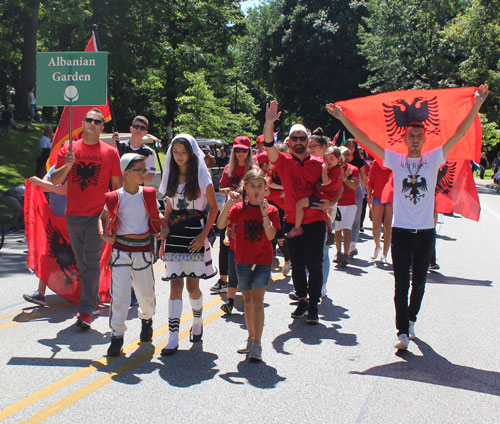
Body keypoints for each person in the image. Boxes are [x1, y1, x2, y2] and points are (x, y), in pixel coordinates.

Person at [327, 83, 489, 350]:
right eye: (411, 136)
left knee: (420, 284)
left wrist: (477, 104)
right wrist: (343, 118)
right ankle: (401, 331)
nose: (414, 139)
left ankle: (411, 318)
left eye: (418, 136)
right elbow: (367, 141)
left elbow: (459, 132)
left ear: (424, 139)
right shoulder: (395, 160)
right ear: (404, 139)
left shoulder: (434, 157)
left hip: (425, 232)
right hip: (401, 230)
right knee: (401, 282)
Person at [52, 108, 122, 330]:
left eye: (97, 121)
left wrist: (113, 214)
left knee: (90, 264)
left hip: (97, 216)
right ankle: (90, 301)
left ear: (102, 127)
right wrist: (68, 165)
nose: (92, 124)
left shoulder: (110, 152)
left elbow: (117, 187)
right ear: (82, 123)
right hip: (73, 215)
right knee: (83, 264)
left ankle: (85, 311)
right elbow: (55, 180)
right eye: (89, 120)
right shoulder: (68, 149)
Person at [263, 101, 333, 324]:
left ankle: (313, 306)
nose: (299, 142)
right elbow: (267, 145)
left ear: (308, 139)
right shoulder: (283, 161)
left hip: (315, 221)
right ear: (289, 141)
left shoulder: (320, 163)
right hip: (292, 221)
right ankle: (302, 299)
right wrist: (269, 122)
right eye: (295, 138)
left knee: (314, 263)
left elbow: (338, 184)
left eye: (303, 138)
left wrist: (332, 201)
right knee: (297, 264)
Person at [98, 153, 167, 357]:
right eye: (140, 170)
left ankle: (146, 320)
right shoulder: (114, 197)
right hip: (120, 251)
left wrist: (163, 225)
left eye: (145, 170)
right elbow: (101, 218)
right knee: (119, 296)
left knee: (146, 295)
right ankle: (116, 336)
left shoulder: (147, 195)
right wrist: (103, 234)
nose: (144, 174)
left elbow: (157, 215)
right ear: (126, 173)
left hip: (143, 251)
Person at [158, 134, 218, 356]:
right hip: (174, 234)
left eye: (183, 152)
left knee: (193, 286)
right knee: (174, 285)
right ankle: (173, 337)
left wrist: (203, 236)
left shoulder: (202, 177)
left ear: (191, 154)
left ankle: (197, 321)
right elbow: (169, 211)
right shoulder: (170, 177)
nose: (179, 156)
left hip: (194, 233)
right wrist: (163, 241)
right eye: (175, 152)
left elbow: (213, 208)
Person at [217, 169, 280, 361]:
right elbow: (220, 225)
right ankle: (251, 339)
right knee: (248, 302)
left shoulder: (272, 210)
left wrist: (264, 215)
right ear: (246, 187)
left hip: (262, 260)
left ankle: (258, 344)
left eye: (260, 186)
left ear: (265, 188)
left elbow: (271, 236)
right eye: (252, 186)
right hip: (242, 259)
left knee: (257, 301)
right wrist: (229, 202)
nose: (256, 189)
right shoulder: (238, 208)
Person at [210, 136, 255, 296]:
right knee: (225, 245)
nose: (240, 153)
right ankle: (223, 279)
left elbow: (259, 191)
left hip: (247, 211)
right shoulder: (230, 167)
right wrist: (228, 191)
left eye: (243, 150)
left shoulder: (253, 169)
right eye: (237, 150)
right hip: (230, 210)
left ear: (248, 151)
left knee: (245, 246)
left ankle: (245, 279)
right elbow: (221, 188)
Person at [23, 166, 68, 306]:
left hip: (76, 219)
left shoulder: (76, 166)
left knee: (82, 258)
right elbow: (44, 187)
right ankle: (40, 293)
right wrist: (48, 184)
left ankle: (92, 294)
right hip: (55, 219)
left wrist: (47, 184)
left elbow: (66, 190)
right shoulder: (55, 167)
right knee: (47, 254)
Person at [287, 145, 343, 238]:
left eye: (331, 159)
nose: (328, 161)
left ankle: (297, 228)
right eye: (327, 159)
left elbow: (326, 182)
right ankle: (330, 230)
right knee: (324, 213)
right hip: (324, 198)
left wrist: (324, 170)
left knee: (299, 204)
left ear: (339, 159)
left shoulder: (335, 170)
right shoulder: (338, 169)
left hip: (321, 198)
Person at [334, 147, 359, 266]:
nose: (346, 157)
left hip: (350, 204)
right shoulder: (335, 168)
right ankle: (338, 252)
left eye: (348, 154)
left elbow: (354, 186)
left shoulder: (353, 169)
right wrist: (343, 177)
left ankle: (346, 254)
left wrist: (344, 178)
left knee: (347, 230)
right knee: (337, 230)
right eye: (344, 154)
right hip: (337, 203)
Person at [113, 116, 156, 184]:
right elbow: (113, 172)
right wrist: (114, 147)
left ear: (145, 132)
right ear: (131, 129)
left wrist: (129, 176)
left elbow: (149, 178)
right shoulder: (119, 146)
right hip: (120, 189)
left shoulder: (148, 152)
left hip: (138, 191)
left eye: (142, 128)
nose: (138, 130)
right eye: (136, 126)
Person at [345, 138, 368, 257]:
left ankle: (352, 244)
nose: (350, 147)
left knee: (356, 220)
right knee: (343, 221)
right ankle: (343, 248)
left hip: (356, 192)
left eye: (352, 146)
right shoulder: (341, 160)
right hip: (343, 192)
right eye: (348, 145)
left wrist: (369, 193)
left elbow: (364, 178)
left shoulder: (359, 161)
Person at [367, 160, 393, 263]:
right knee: (376, 225)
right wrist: (369, 195)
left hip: (391, 197)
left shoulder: (394, 162)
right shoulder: (376, 163)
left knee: (388, 226)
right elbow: (371, 180)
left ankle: (384, 254)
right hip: (377, 196)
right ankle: (378, 246)